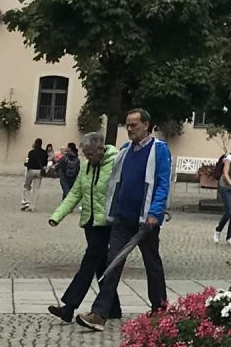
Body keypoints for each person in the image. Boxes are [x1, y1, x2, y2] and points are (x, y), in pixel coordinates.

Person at [76, 107, 170, 331]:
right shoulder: (126, 150)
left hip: (145, 220)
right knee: (113, 264)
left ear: (146, 125)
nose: (129, 129)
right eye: (127, 125)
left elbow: (162, 182)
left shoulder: (159, 150)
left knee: (152, 264)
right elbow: (117, 181)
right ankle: (99, 314)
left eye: (134, 125)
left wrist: (155, 213)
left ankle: (160, 309)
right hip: (122, 217)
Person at [47, 132, 121, 325]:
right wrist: (57, 215)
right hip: (89, 222)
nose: (87, 157)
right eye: (85, 154)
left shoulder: (115, 163)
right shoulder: (87, 167)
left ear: (100, 149)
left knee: (88, 264)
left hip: (106, 223)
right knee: (101, 265)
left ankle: (69, 307)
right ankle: (113, 307)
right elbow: (75, 193)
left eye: (89, 153)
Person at [22, 138, 48, 211]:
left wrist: (26, 164)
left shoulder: (31, 152)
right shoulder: (44, 152)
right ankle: (33, 206)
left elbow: (29, 163)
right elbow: (45, 163)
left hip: (31, 170)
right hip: (39, 171)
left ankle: (28, 202)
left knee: (27, 186)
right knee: (36, 189)